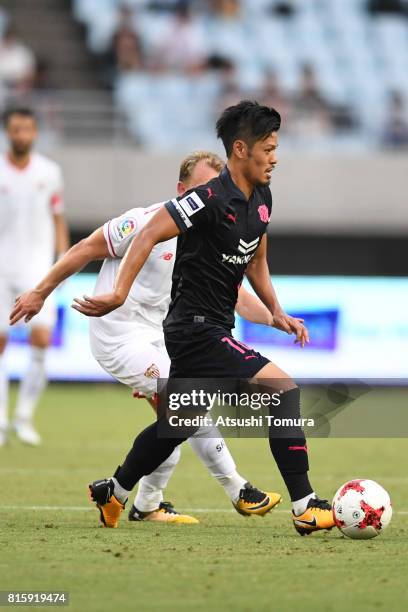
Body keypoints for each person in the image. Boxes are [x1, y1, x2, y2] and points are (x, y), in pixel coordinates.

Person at [63, 101, 335, 536]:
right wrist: (118, 292)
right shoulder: (205, 199)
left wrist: (276, 310)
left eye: (276, 147)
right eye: (268, 148)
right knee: (283, 389)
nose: (275, 157)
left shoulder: (261, 198)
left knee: (178, 423)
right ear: (241, 149)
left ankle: (112, 492)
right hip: (194, 329)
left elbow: (256, 258)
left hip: (210, 327)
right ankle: (305, 505)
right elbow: (150, 231)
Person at [10, 150, 283, 526]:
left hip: (164, 337)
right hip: (118, 334)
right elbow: (84, 249)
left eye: (215, 188)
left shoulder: (213, 235)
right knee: (186, 403)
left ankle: (143, 504)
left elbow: (237, 297)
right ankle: (238, 490)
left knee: (173, 422)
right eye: (201, 188)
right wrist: (41, 292)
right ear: (180, 189)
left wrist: (276, 318)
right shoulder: (142, 222)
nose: (209, 196)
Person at [0, 107, 69, 447]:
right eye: (15, 129)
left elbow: (58, 217)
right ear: (7, 132)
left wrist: (64, 261)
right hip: (1, 269)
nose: (21, 135)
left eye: (26, 128)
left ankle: (23, 417)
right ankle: (0, 420)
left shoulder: (49, 172)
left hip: (38, 271)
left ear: (35, 132)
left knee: (40, 340)